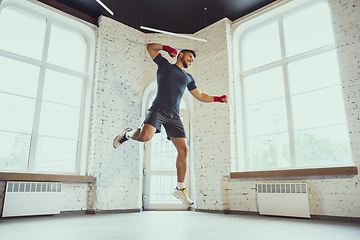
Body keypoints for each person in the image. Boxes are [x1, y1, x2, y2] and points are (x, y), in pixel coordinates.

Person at [113, 43, 228, 205]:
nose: (191, 60)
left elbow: (200, 95)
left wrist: (217, 99)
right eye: (190, 56)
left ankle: (180, 189)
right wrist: (166, 48)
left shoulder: (189, 77)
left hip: (174, 115)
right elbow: (150, 47)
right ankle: (127, 134)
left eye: (193, 59)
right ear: (181, 54)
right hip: (159, 109)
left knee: (184, 150)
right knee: (145, 137)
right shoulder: (165, 65)